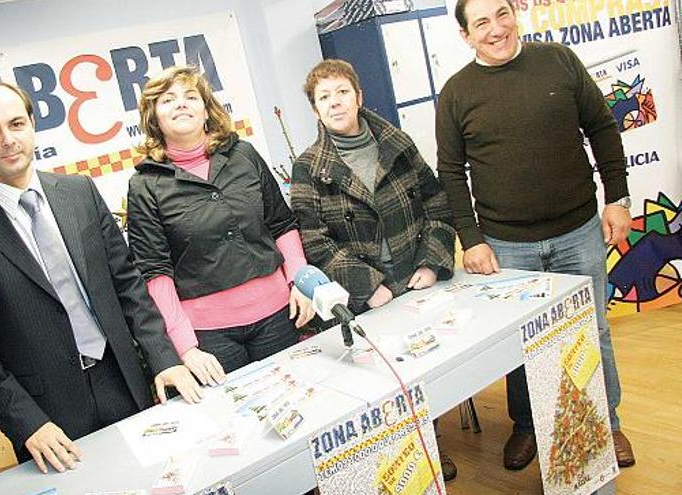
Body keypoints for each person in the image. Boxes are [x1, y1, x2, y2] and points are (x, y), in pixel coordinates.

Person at [0, 79, 200, 475]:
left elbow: (127, 286)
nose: (8, 139)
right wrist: (28, 423)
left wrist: (164, 358)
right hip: (47, 416)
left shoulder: (80, 192)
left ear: (32, 126)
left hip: (123, 381)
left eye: (16, 124)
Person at [436, 0, 636, 470]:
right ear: (466, 36)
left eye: (502, 14)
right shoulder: (456, 93)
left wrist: (618, 198)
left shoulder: (559, 60)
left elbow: (604, 128)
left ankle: (608, 423)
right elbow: (450, 172)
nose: (496, 28)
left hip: (579, 230)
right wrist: (473, 238)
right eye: (481, 22)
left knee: (595, 330)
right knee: (521, 343)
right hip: (506, 246)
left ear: (515, 15)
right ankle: (529, 427)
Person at [291, 59, 457, 480]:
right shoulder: (309, 167)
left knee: (427, 368)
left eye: (341, 92)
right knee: (381, 384)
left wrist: (432, 262)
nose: (334, 102)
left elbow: (437, 205)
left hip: (416, 280)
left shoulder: (396, 142)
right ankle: (402, 460)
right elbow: (315, 242)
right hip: (366, 296)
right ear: (315, 110)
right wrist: (369, 286)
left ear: (359, 97)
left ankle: (430, 443)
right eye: (323, 97)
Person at [126, 66, 314, 384]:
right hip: (210, 340)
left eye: (190, 96)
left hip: (279, 317)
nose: (181, 103)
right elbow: (155, 272)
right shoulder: (144, 185)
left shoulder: (244, 155)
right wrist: (185, 348)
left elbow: (281, 223)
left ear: (206, 108)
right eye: (168, 99)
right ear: (153, 117)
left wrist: (301, 281)